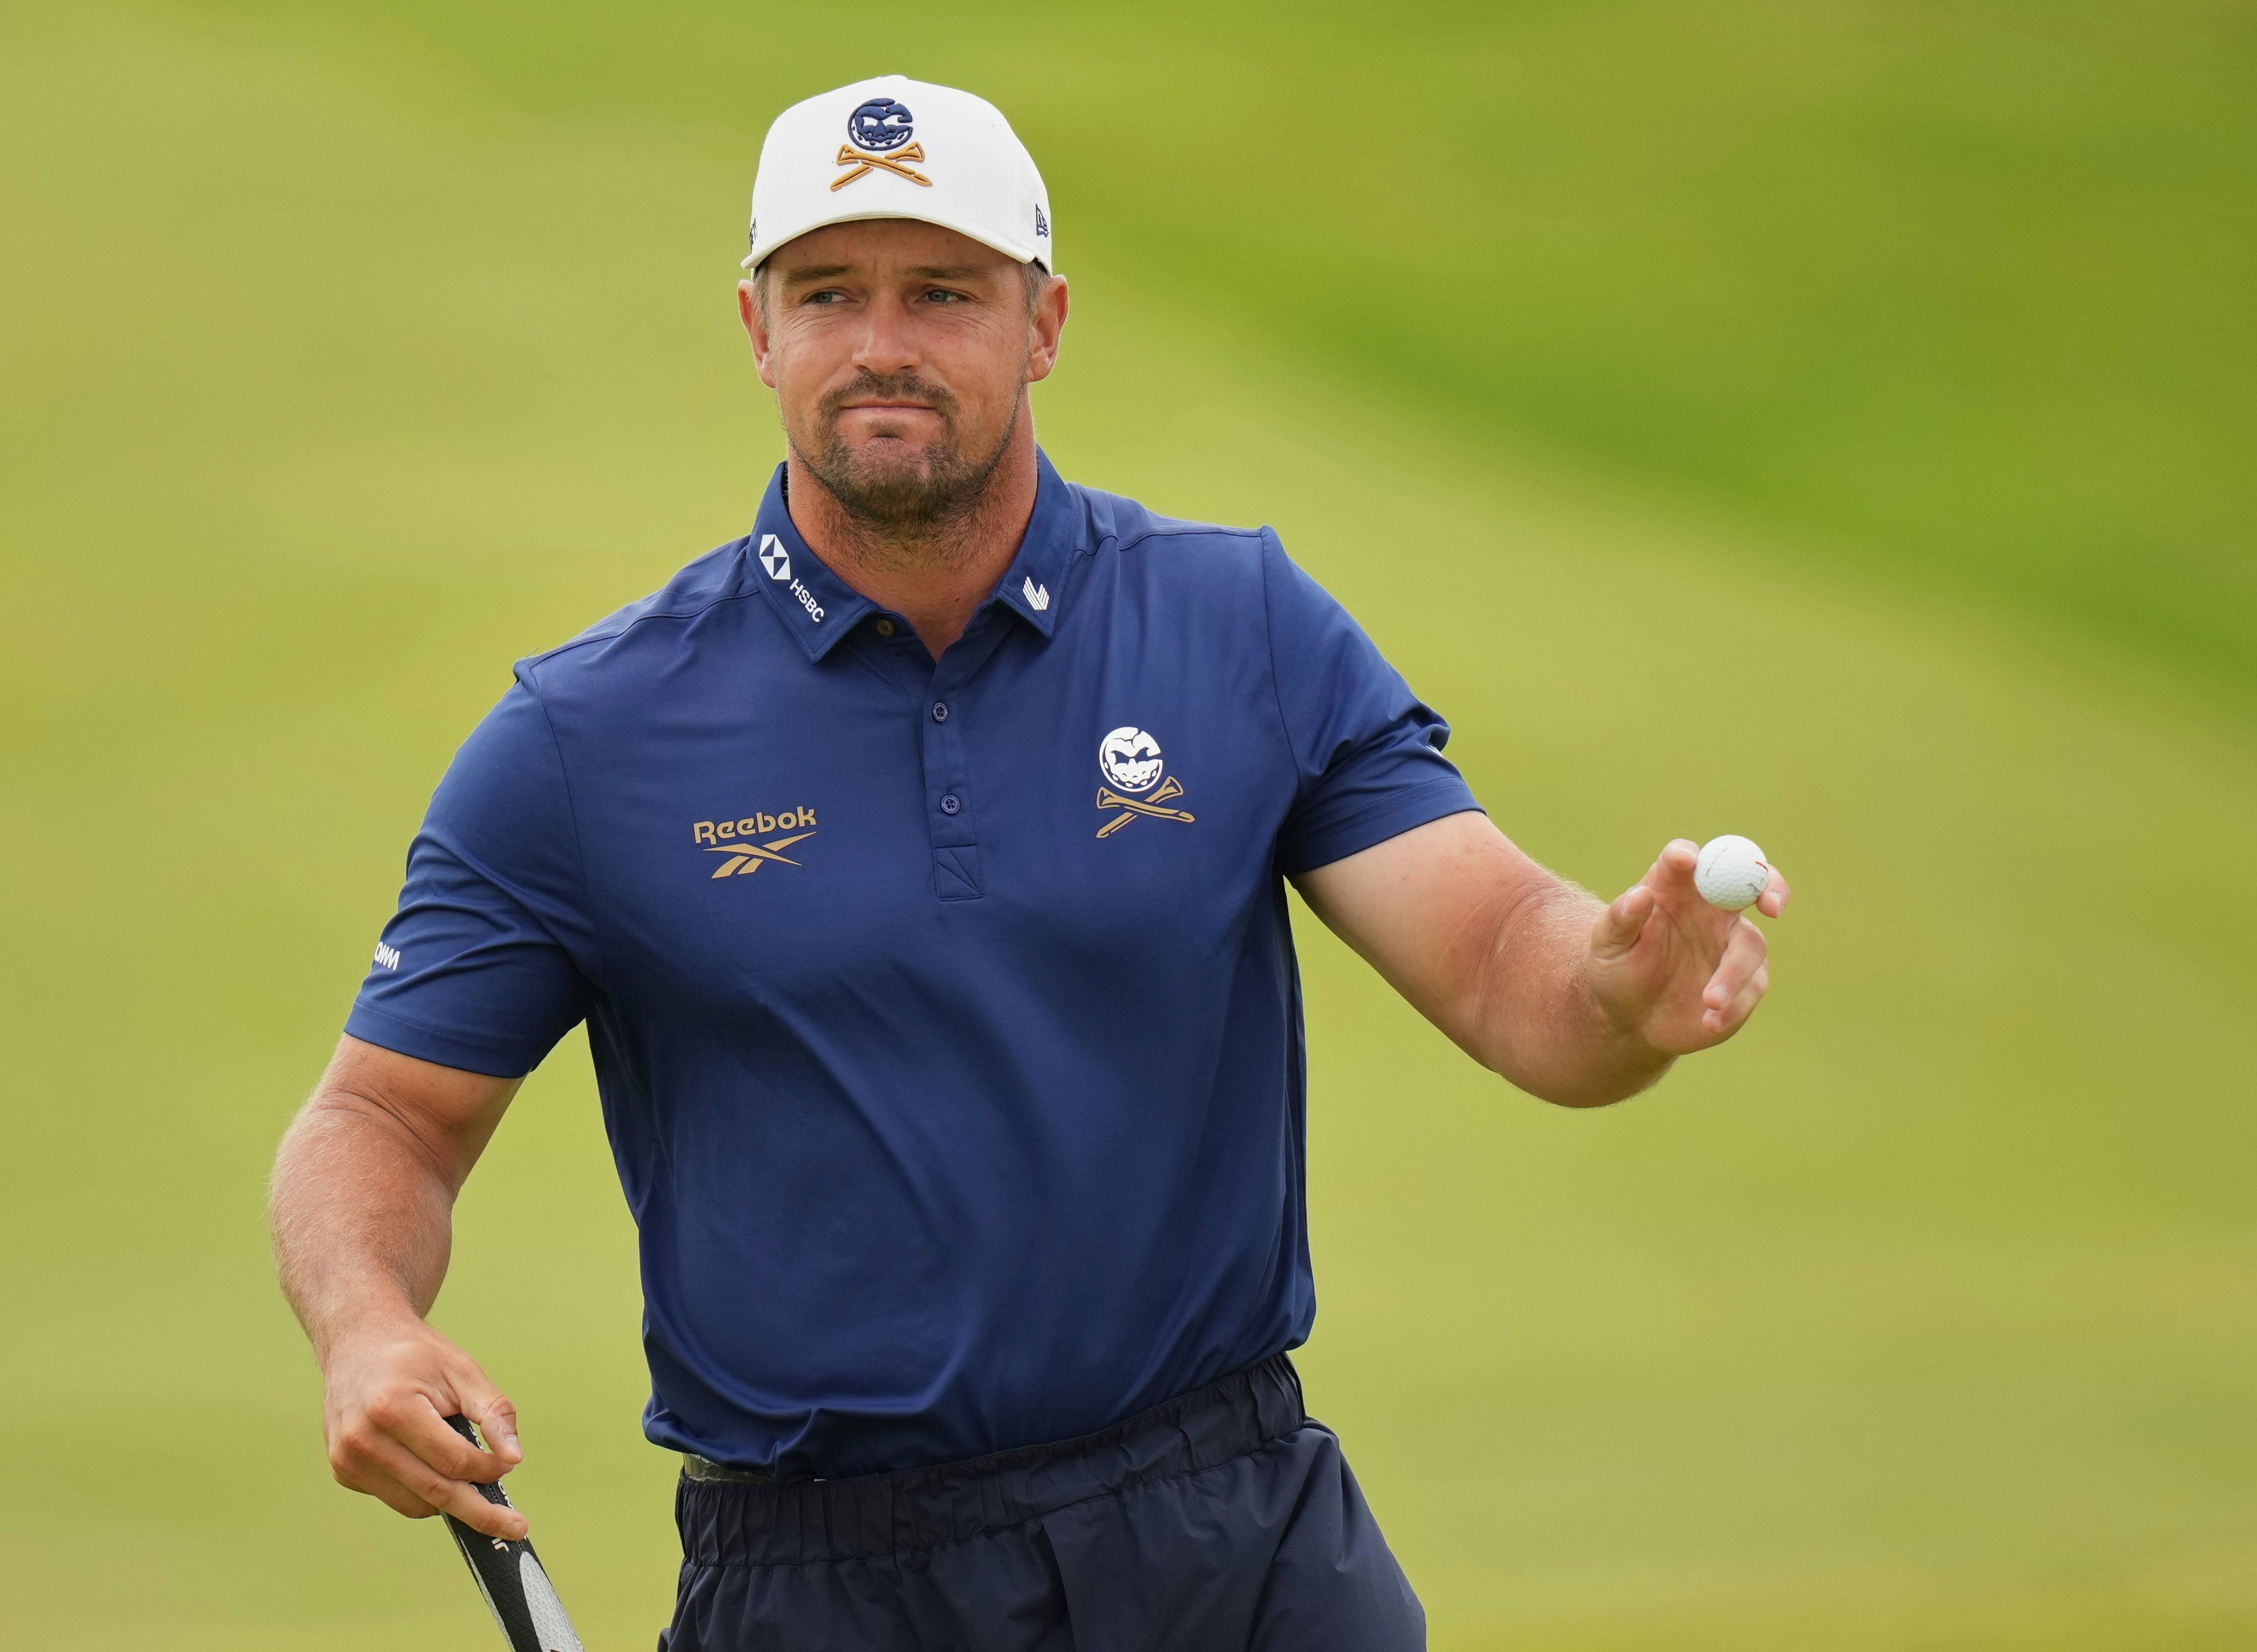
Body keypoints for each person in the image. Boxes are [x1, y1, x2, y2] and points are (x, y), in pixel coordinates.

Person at [268, 73, 1787, 1651]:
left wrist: (1616, 991)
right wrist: (365, 1324)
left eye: (943, 292)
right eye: (827, 293)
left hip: (1236, 1541)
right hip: (826, 1586)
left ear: (1044, 323)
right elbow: (382, 1118)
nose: (882, 343)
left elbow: (1502, 960)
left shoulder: (1241, 627)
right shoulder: (587, 736)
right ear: (758, 329)